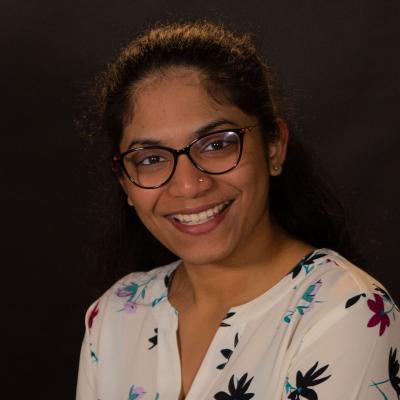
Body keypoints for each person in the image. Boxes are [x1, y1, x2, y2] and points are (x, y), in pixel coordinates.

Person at [76, 20, 400, 400]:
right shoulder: (115, 315)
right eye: (150, 158)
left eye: (216, 145)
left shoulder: (348, 314)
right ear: (125, 183)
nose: (187, 185)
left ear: (274, 146)